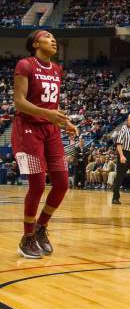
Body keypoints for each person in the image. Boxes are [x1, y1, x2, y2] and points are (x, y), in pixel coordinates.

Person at [12, 30, 77, 259]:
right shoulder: (25, 64)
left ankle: (40, 227)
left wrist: (65, 122)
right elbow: (19, 102)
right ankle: (26, 237)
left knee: (61, 183)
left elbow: (53, 105)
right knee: (38, 185)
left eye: (54, 38)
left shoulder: (57, 69)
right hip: (27, 129)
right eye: (47, 36)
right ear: (35, 43)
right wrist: (47, 115)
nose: (53, 40)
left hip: (50, 130)